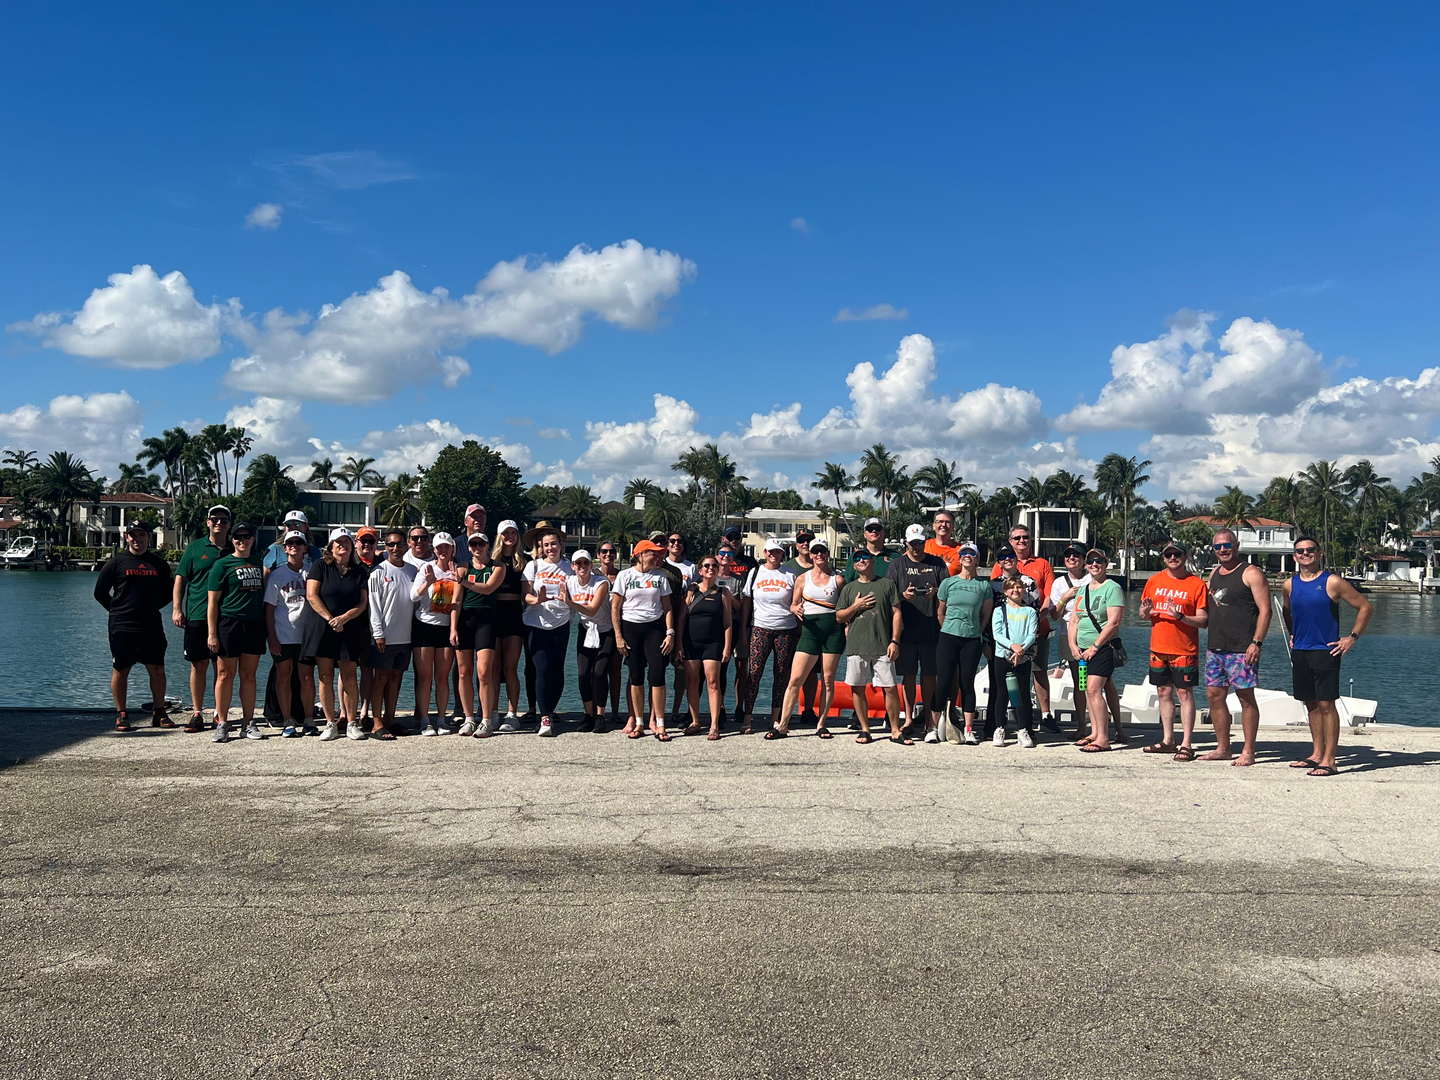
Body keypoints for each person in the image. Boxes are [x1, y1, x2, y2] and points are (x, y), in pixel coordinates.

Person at [1281, 536, 1373, 777]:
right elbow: (1287, 611)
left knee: (1325, 704)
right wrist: (1293, 634)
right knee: (1310, 703)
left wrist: (1351, 637)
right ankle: (1316, 754)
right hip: (1300, 650)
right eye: (1300, 551)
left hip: (1326, 650)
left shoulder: (1332, 582)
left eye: (1310, 550)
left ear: (1319, 554)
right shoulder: (1289, 584)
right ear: (1294, 556)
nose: (1305, 554)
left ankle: (1330, 760)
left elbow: (1365, 607)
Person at [94, 520, 172, 731]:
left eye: (141, 535)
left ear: (149, 537)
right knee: (121, 669)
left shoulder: (159, 564)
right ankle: (122, 714)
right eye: (133, 535)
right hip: (123, 625)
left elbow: (168, 593)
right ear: (127, 537)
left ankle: (159, 712)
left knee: (157, 669)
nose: (137, 539)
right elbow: (100, 593)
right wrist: (118, 610)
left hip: (151, 624)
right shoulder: (116, 562)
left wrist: (152, 607)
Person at [1203, 530, 1273, 766]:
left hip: (1242, 648)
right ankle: (1223, 748)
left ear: (1236, 545)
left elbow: (1266, 610)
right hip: (1215, 647)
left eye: (1227, 545)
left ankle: (1249, 750)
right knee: (1214, 696)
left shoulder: (1251, 573)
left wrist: (1257, 642)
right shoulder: (1214, 573)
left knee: (1245, 698)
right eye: (1217, 546)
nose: (1222, 550)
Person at [1139, 542, 1209, 761]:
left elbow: (1204, 621)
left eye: (1176, 554)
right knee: (1163, 692)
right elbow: (1144, 613)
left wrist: (1180, 616)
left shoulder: (1196, 584)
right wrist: (1145, 612)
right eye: (1168, 554)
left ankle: (1187, 743)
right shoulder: (1154, 581)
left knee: (1184, 693)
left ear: (1185, 557)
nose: (1172, 557)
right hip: (1158, 647)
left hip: (1184, 648)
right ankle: (1168, 740)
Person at [303, 528, 370, 741]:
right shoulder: (320, 566)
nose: (342, 545)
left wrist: (344, 619)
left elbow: (362, 602)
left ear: (352, 546)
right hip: (323, 627)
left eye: (346, 542)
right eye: (338, 542)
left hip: (349, 628)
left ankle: (351, 722)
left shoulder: (359, 571)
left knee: (349, 676)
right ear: (331, 547)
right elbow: (312, 595)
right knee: (325, 676)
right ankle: (330, 723)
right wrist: (331, 619)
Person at [989, 523, 1057, 731]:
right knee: (999, 685)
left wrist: (1031, 637)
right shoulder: (996, 577)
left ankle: (1042, 718)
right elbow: (991, 609)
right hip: (1003, 640)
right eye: (1017, 538)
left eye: (1024, 537)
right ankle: (996, 725)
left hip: (1033, 633)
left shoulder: (1040, 566)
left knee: (1037, 674)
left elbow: (1044, 600)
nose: (1021, 541)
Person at [773, 540, 844, 739]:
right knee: (795, 678)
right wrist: (796, 609)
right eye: (815, 551)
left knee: (828, 680)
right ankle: (783, 724)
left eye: (822, 551)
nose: (819, 554)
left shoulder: (837, 580)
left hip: (832, 632)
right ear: (810, 555)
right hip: (810, 632)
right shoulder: (803, 579)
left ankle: (821, 724)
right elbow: (793, 604)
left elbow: (844, 609)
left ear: (828, 553)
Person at [836, 549, 905, 744]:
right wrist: (856, 607)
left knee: (890, 687)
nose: (861, 561)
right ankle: (865, 729)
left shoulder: (886, 584)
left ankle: (895, 730)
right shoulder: (849, 588)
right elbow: (840, 616)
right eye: (857, 559)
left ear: (873, 561)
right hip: (857, 645)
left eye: (865, 557)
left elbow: (897, 613)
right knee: (858, 688)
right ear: (854, 565)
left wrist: (895, 640)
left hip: (883, 645)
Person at [172, 503, 231, 732]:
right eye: (214, 519)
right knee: (199, 665)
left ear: (229, 524)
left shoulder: (234, 548)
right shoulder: (195, 548)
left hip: (225, 617)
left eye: (223, 520)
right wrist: (177, 609)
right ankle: (197, 713)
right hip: (197, 614)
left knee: (222, 667)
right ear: (207, 522)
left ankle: (219, 712)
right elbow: (180, 580)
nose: (218, 523)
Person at [205, 522, 266, 743]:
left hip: (254, 624)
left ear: (253, 538)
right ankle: (222, 722)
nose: (242, 540)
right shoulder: (222, 564)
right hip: (229, 623)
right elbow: (212, 602)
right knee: (224, 674)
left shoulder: (260, 563)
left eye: (246, 536)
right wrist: (212, 633)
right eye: (237, 537)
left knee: (249, 675)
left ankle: (248, 723)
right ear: (232, 540)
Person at [611, 539, 676, 740]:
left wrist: (670, 633)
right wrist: (618, 635)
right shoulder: (625, 575)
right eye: (652, 553)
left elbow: (667, 608)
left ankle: (660, 723)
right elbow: (615, 608)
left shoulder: (660, 577)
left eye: (658, 553)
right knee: (636, 676)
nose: (657, 557)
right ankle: (639, 723)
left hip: (654, 629)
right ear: (639, 555)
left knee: (658, 674)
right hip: (630, 629)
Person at [887, 523, 948, 737]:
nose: (917, 547)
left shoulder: (937, 563)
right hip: (906, 628)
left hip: (932, 628)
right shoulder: (897, 564)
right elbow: (889, 594)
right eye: (913, 543)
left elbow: (948, 589)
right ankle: (909, 718)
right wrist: (904, 595)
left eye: (920, 543)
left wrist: (935, 591)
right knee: (909, 676)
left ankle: (930, 721)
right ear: (906, 543)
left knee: (930, 675)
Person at [931, 541, 991, 744]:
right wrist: (947, 629)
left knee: (967, 684)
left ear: (977, 559)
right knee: (943, 683)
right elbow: (940, 611)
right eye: (964, 553)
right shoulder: (949, 582)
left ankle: (968, 730)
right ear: (960, 558)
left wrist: (978, 631)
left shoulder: (983, 585)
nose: (967, 556)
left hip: (971, 640)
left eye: (971, 554)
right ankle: (933, 728)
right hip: (948, 637)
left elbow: (986, 614)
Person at [741, 540, 799, 734]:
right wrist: (744, 628)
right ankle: (747, 717)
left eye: (778, 552)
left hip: (786, 628)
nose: (774, 555)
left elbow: (797, 602)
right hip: (761, 628)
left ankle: (776, 718)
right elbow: (747, 603)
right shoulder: (755, 572)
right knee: (754, 673)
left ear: (782, 554)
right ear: (765, 552)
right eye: (771, 551)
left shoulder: (790, 574)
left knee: (781, 674)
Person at [1070, 550, 1125, 753]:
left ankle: (1103, 738)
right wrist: (1073, 645)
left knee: (1094, 689)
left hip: (1103, 647)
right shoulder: (1084, 590)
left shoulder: (1113, 588)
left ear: (1106, 563)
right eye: (1091, 561)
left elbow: (1114, 622)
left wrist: (1095, 646)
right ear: (1086, 565)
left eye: (1099, 561)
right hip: (1082, 649)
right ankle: (1094, 731)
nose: (1094, 564)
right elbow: (1074, 620)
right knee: (1087, 689)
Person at [521, 525, 574, 738]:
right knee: (542, 668)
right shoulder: (533, 566)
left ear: (561, 545)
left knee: (557, 669)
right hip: (536, 623)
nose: (550, 548)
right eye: (545, 545)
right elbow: (526, 595)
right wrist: (537, 600)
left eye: (553, 544)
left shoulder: (569, 568)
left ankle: (550, 711)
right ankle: (544, 717)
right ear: (540, 548)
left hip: (561, 622)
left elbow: (579, 588)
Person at [263, 530, 315, 738]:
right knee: (283, 677)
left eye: (298, 542)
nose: (294, 545)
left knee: (307, 678)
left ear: (305, 547)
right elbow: (269, 609)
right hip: (283, 634)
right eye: (290, 543)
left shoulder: (312, 572)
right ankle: (287, 720)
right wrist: (272, 637)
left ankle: (309, 719)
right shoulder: (277, 575)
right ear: (284, 549)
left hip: (306, 636)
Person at [366, 527, 417, 740]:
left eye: (399, 544)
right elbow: (373, 605)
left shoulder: (413, 570)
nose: (395, 548)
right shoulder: (379, 572)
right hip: (384, 635)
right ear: (385, 547)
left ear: (406, 546)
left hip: (405, 635)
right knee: (381, 678)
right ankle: (376, 721)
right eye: (391, 544)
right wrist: (378, 632)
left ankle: (390, 718)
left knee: (396, 677)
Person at [452, 532, 505, 736]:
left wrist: (462, 581)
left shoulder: (498, 566)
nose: (476, 547)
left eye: (480, 543)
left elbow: (488, 588)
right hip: (465, 621)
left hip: (486, 621)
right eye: (473, 543)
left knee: (484, 672)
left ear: (487, 545)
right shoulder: (463, 566)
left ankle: (486, 719)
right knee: (464, 672)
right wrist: (453, 628)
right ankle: (468, 718)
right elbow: (456, 601)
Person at [411, 531, 459, 736]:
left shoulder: (457, 570)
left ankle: (441, 719)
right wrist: (428, 582)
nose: (442, 550)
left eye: (446, 546)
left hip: (445, 628)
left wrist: (453, 629)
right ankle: (424, 720)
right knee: (425, 677)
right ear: (434, 549)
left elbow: (457, 601)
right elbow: (413, 596)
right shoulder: (426, 568)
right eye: (439, 547)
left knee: (442, 676)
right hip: (424, 626)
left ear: (452, 549)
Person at [681, 555, 732, 739]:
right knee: (692, 682)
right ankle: (695, 721)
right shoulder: (691, 591)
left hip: (713, 643)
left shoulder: (723, 593)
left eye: (714, 565)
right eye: (707, 565)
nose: (711, 568)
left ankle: (714, 724)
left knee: (713, 682)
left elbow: (727, 623)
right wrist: (678, 642)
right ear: (700, 570)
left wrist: (727, 647)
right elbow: (681, 619)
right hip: (691, 643)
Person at [565, 550, 613, 732]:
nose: (582, 567)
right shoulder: (570, 582)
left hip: (605, 630)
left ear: (591, 565)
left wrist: (569, 602)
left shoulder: (601, 582)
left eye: (586, 563)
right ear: (573, 567)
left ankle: (600, 715)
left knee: (600, 672)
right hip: (585, 630)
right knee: (583, 673)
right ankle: (588, 715)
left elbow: (592, 609)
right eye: (578, 564)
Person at [989, 576, 1039, 747]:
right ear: (1005, 592)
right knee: (1002, 693)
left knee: (1021, 694)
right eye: (1012, 588)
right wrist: (1012, 647)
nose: (1016, 591)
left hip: (1023, 657)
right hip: (1003, 656)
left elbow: (1032, 634)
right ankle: (999, 728)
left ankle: (1022, 729)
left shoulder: (1030, 611)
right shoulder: (999, 611)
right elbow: (997, 634)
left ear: (1023, 590)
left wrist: (1021, 650)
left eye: (1019, 587)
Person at [492, 519, 529, 728]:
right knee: (493, 668)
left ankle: (512, 713)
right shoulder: (491, 560)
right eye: (506, 533)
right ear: (499, 536)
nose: (510, 537)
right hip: (495, 615)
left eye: (513, 533)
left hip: (515, 615)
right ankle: (493, 711)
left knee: (510, 667)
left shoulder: (524, 561)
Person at [781, 529, 821, 723]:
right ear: (796, 545)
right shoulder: (787, 568)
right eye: (802, 541)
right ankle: (783, 711)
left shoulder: (821, 565)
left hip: (814, 629)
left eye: (809, 541)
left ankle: (808, 710)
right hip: (790, 628)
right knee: (789, 672)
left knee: (812, 672)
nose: (805, 544)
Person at [714, 540, 750, 723]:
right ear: (716, 556)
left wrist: (728, 595)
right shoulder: (708, 577)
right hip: (714, 626)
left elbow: (740, 606)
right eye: (722, 554)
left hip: (734, 625)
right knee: (719, 668)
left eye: (729, 554)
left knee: (739, 667)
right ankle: (719, 707)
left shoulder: (738, 580)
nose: (725, 557)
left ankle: (739, 707)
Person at [595, 542, 625, 724]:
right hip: (595, 627)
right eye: (604, 551)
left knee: (615, 670)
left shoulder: (621, 575)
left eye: (612, 551)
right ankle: (596, 711)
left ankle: (615, 711)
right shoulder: (592, 574)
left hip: (617, 628)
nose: (608, 554)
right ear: (598, 554)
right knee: (597, 670)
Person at [845, 518, 892, 582]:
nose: (874, 531)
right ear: (864, 534)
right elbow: (847, 584)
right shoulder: (854, 558)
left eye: (878, 528)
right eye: (870, 529)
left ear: (883, 533)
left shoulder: (895, 556)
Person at [924, 510, 962, 576]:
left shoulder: (961, 550)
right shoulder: (923, 546)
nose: (943, 525)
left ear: (952, 527)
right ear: (934, 526)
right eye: (940, 522)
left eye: (947, 522)